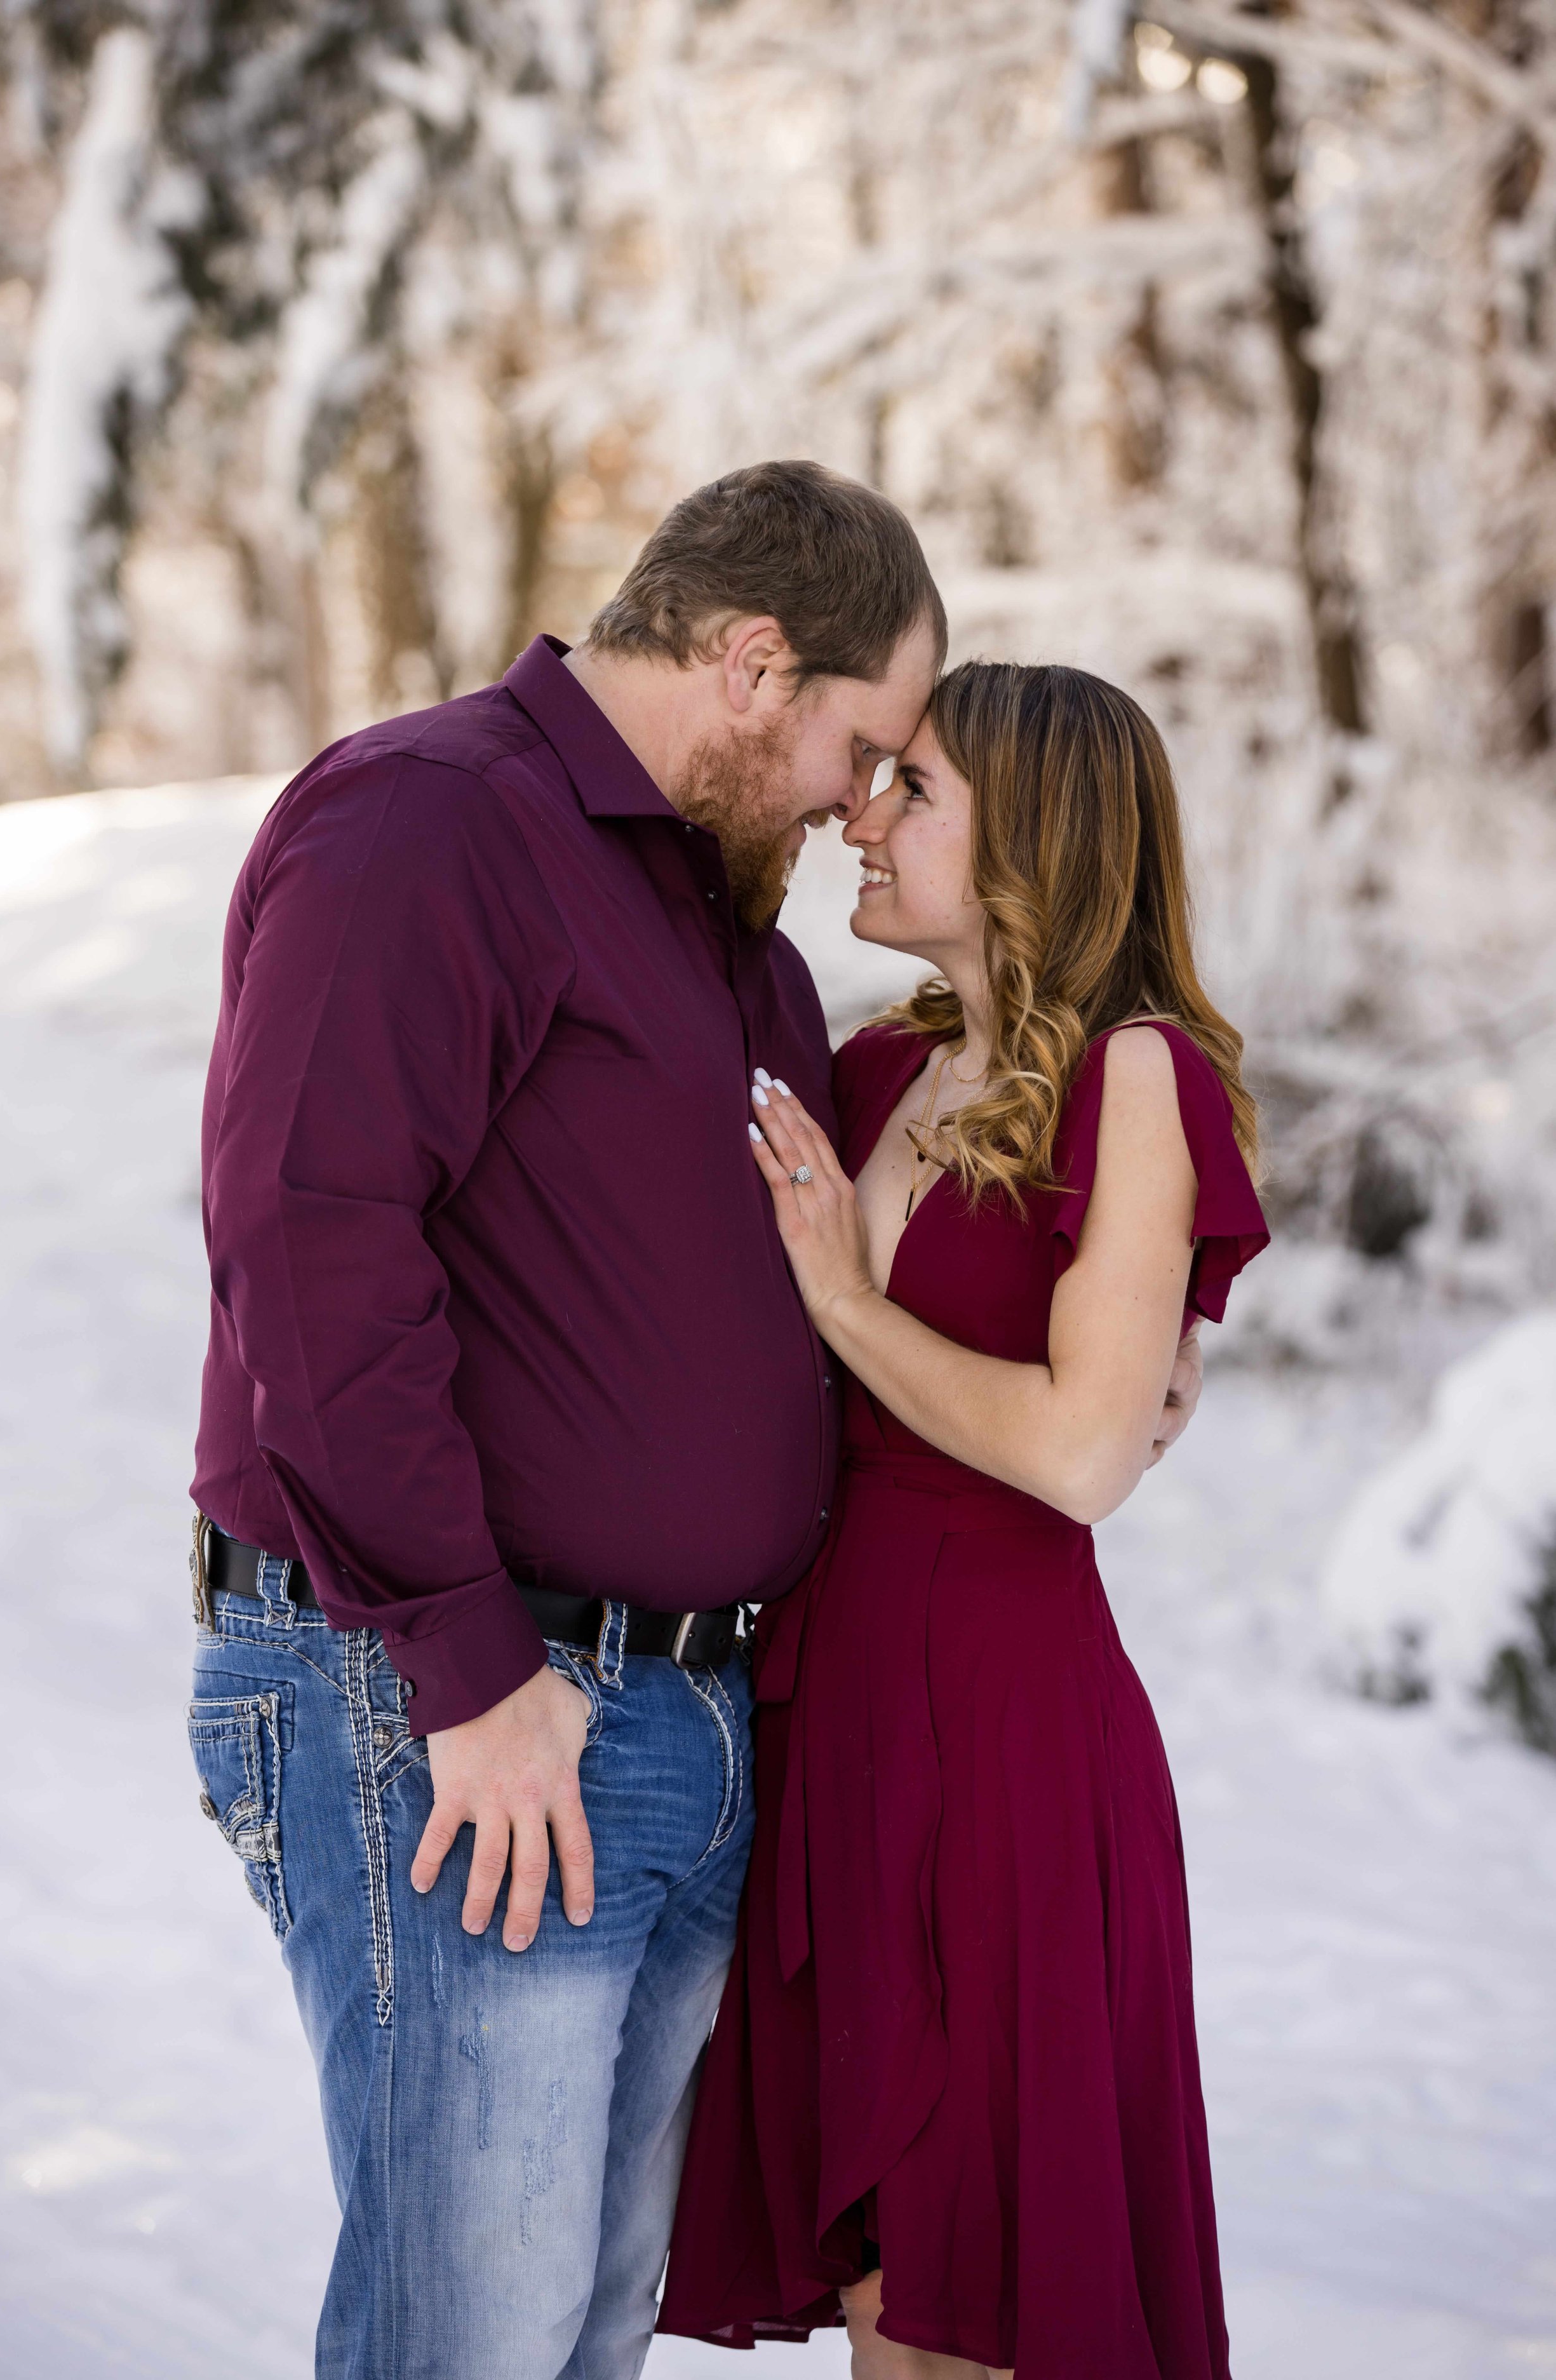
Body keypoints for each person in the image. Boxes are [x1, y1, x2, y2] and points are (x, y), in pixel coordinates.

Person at [185, 459, 947, 2380]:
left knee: (578, 2334)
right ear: (756, 662)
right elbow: (312, 1232)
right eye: (860, 745)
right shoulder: (435, 822)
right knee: (476, 2341)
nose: (858, 801)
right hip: (461, 1691)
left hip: (671, 1717)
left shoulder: (737, 942)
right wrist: (465, 1662)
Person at [658, 661, 1269, 2379]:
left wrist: (850, 1309)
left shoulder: (1135, 1076)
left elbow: (1081, 1457)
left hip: (1004, 1723)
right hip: (832, 1705)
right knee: (890, 2292)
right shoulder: (869, 1070)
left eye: (906, 788)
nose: (860, 813)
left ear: (1034, 836)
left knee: (993, 2291)